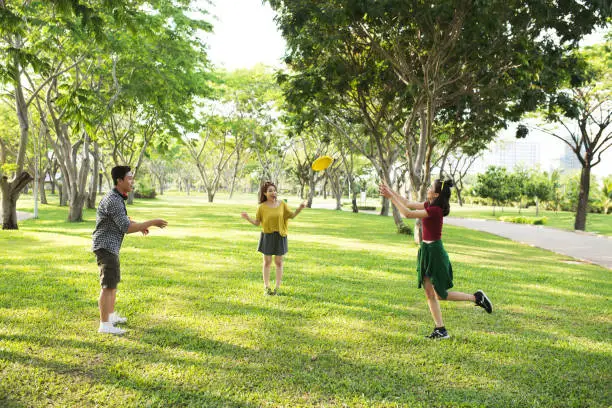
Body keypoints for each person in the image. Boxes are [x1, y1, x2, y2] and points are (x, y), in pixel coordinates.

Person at [380, 179, 492, 339]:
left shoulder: (435, 210)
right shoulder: (429, 205)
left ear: (436, 194)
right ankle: (440, 330)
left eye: (430, 187)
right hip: (426, 250)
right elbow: (407, 203)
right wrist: (390, 191)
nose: (428, 188)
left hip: (435, 253)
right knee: (428, 291)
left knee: (440, 294)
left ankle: (476, 297)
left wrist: (390, 197)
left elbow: (407, 213)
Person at [92, 166, 168, 335]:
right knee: (107, 286)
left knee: (112, 284)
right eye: (129, 178)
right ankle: (105, 325)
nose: (132, 181)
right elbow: (126, 227)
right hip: (106, 246)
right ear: (119, 180)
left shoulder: (117, 198)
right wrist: (152, 222)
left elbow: (123, 219)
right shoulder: (113, 199)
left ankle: (110, 317)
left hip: (110, 247)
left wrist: (139, 226)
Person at [241, 181, 306, 295]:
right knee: (267, 262)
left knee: (279, 262)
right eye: (270, 191)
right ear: (265, 193)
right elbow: (257, 223)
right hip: (268, 236)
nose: (273, 192)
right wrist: (247, 218)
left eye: (274, 190)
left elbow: (291, 215)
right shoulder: (261, 207)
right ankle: (267, 287)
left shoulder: (282, 204)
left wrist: (299, 209)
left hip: (280, 236)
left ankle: (277, 287)